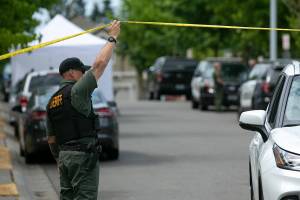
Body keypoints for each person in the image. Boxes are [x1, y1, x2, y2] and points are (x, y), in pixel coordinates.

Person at [46, 20, 120, 200]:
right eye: (81, 71)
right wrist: (113, 37)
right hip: (82, 157)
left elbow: (51, 138)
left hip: (65, 157)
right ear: (71, 73)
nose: (83, 74)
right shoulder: (77, 90)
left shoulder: (52, 101)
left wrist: (60, 159)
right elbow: (100, 64)